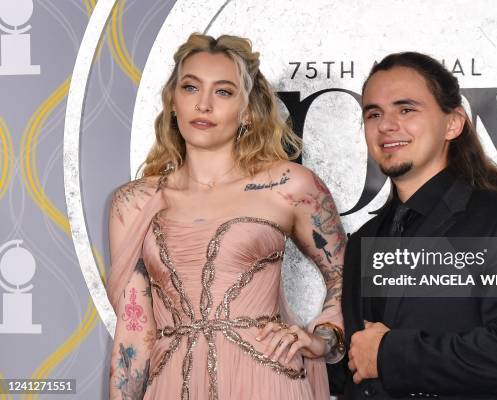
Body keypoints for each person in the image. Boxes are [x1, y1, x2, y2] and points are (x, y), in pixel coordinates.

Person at [106, 33, 347, 400]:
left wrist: (323, 338)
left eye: (223, 92)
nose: (203, 104)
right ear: (173, 102)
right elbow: (136, 331)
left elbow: (345, 275)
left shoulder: (291, 185)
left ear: (247, 109)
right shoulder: (134, 202)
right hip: (171, 383)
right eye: (190, 88)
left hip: (266, 380)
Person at [328, 52, 497, 399]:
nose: (386, 125)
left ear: (453, 123)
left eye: (406, 109)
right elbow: (360, 369)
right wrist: (314, 355)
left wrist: (389, 353)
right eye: (374, 113)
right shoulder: (365, 240)